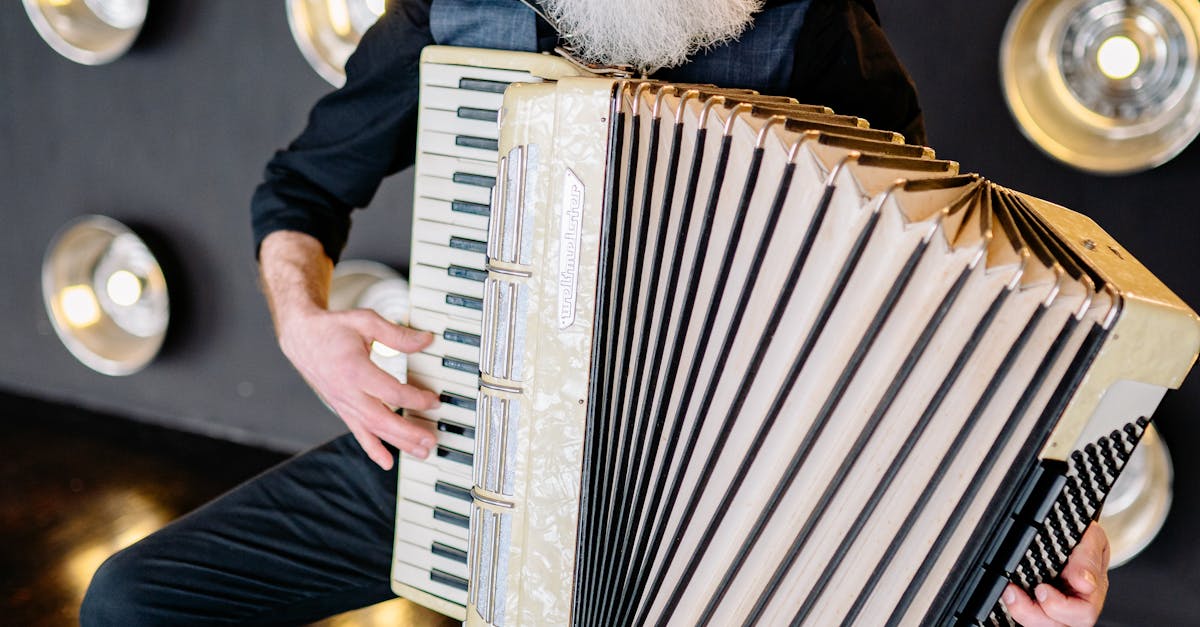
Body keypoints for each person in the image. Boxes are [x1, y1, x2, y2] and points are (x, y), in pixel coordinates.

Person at [80, 0, 1109, 625]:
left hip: (736, 492)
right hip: (473, 452)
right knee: (138, 602)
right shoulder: (453, 13)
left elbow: (944, 281)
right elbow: (300, 191)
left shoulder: (812, 22)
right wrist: (304, 322)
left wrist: (1056, 520)